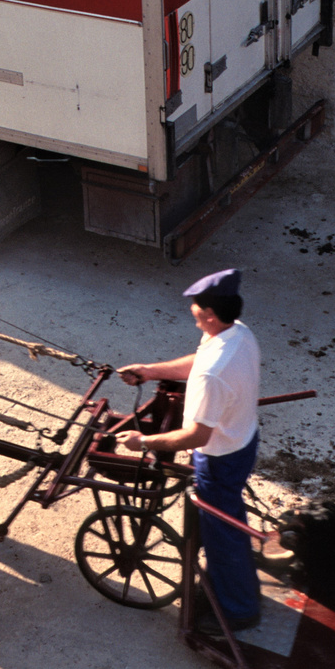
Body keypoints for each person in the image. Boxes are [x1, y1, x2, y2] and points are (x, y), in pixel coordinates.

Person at [117, 268, 262, 634]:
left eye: (197, 311)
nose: (195, 317)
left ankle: (239, 611)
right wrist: (150, 371)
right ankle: (229, 587)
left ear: (211, 315)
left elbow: (196, 436)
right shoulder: (237, 333)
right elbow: (198, 361)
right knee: (228, 521)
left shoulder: (213, 376)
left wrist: (143, 442)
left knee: (223, 533)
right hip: (243, 438)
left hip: (219, 457)